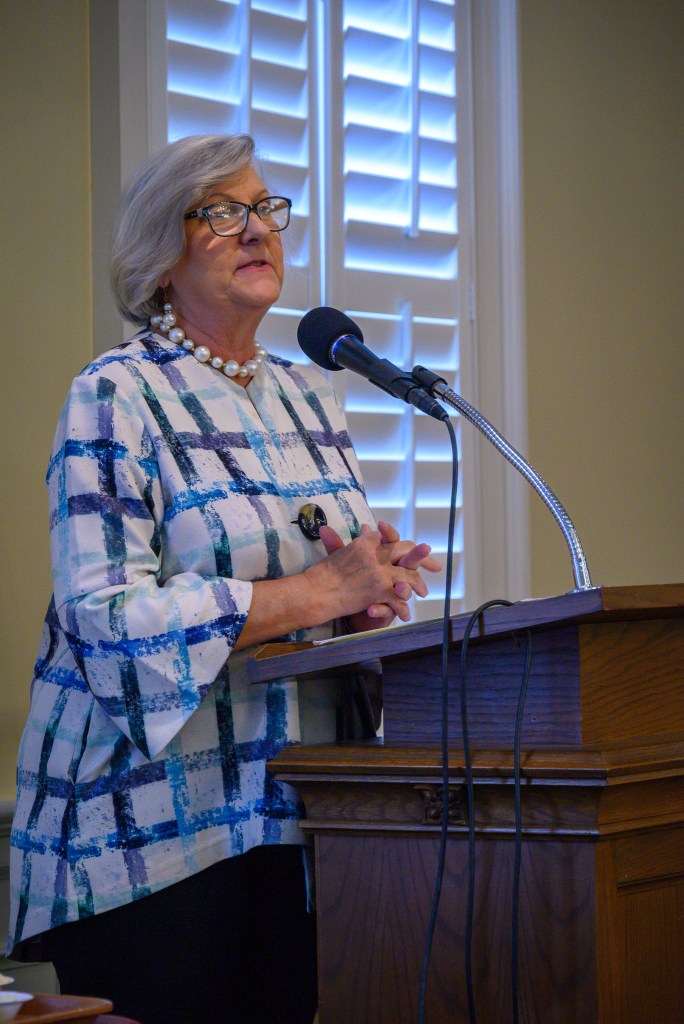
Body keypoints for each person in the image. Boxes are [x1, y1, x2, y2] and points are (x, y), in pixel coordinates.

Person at [8, 134, 439, 1024]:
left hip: (295, 819)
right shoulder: (116, 394)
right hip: (149, 840)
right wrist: (320, 594)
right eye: (224, 213)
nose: (258, 230)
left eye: (267, 209)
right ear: (163, 253)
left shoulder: (310, 399)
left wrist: (364, 602)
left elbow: (317, 592)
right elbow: (107, 621)